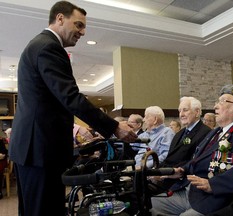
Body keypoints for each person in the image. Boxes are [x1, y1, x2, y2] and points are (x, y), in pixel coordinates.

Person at [8, 2, 137, 215]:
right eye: (78, 25)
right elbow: (71, 98)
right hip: (41, 150)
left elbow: (52, 102)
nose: (82, 32)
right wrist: (114, 127)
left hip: (33, 149)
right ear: (60, 18)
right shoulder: (49, 47)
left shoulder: (38, 44)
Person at [150, 84, 233, 215]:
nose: (215, 106)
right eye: (217, 102)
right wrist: (181, 170)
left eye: (223, 101)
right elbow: (198, 159)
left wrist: (213, 184)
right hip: (190, 191)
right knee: (150, 204)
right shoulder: (216, 132)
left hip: (215, 197)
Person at [149, 97, 211, 194]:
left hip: (180, 183)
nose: (181, 114)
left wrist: (164, 174)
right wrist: (155, 172)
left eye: (185, 110)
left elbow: (194, 161)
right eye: (179, 111)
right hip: (165, 178)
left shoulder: (206, 133)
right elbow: (170, 158)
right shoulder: (179, 133)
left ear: (197, 112)